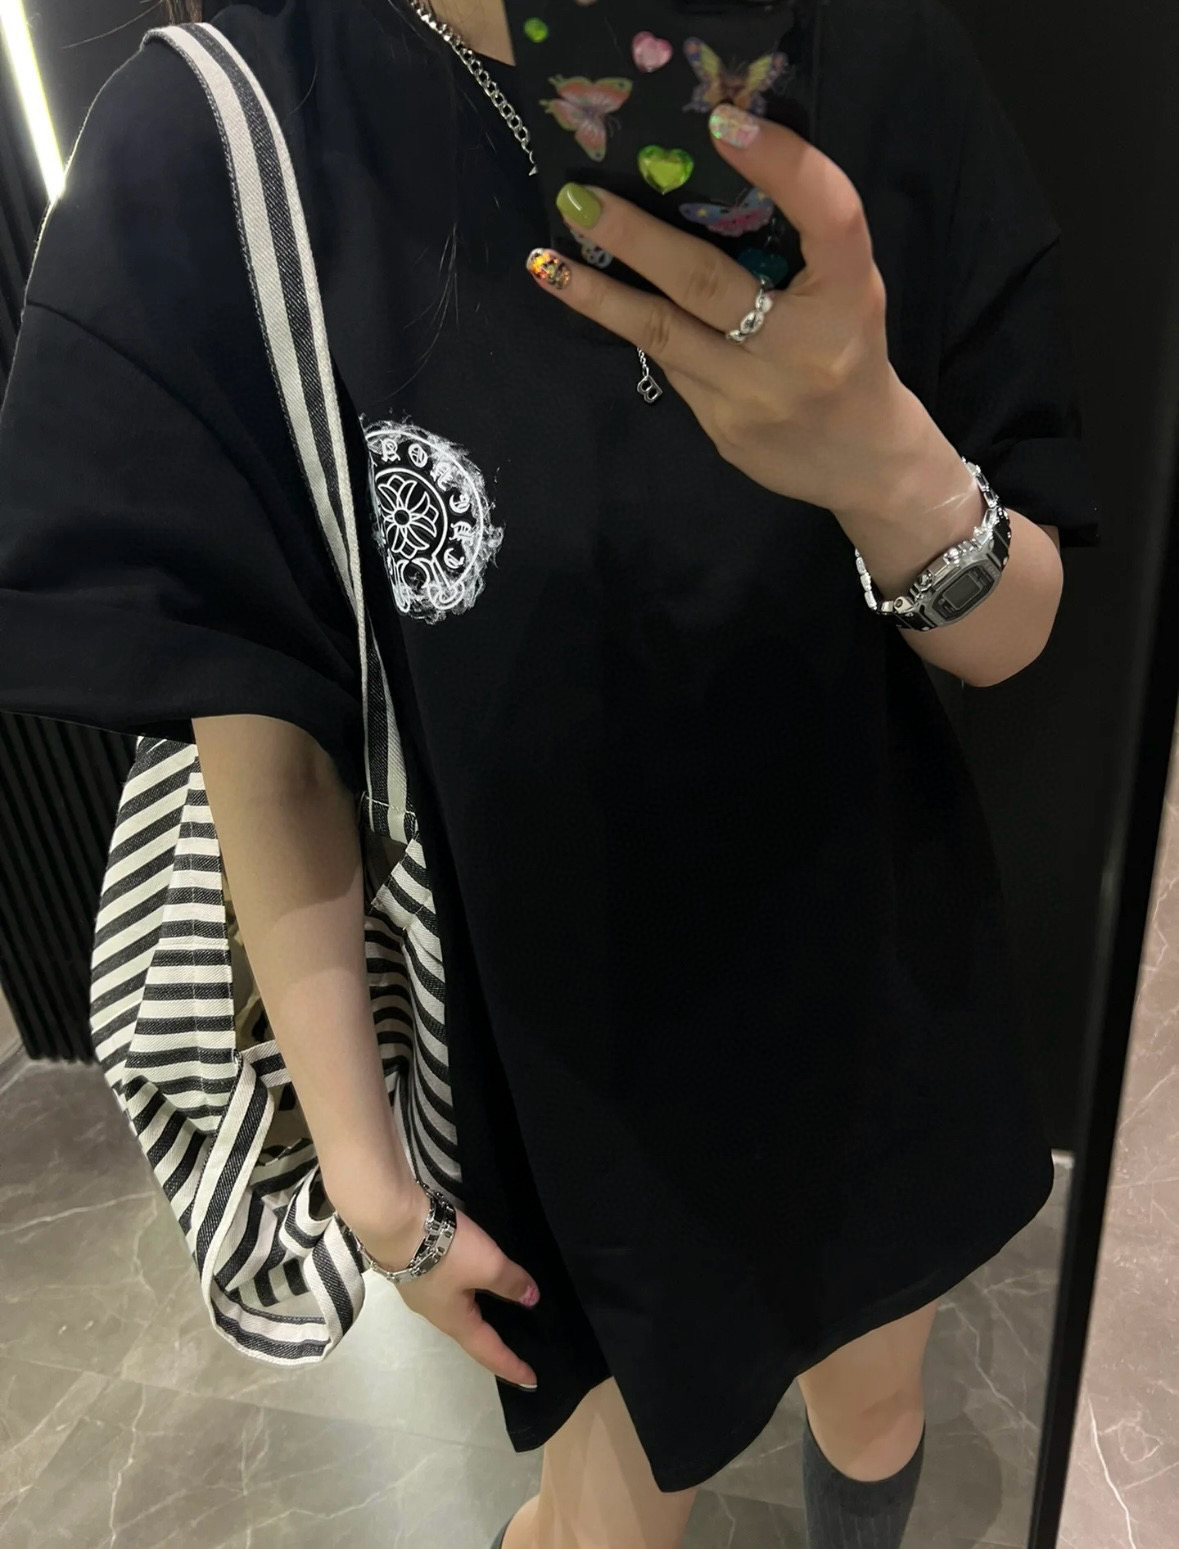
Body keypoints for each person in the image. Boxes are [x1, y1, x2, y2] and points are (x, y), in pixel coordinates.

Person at [0, 0, 1100, 1545]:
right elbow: (265, 722)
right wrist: (374, 1184)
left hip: (868, 963)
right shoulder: (225, 143)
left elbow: (1018, 627)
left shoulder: (850, 46)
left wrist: (886, 464)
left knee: (875, 1405)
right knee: (603, 1515)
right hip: (564, 1077)